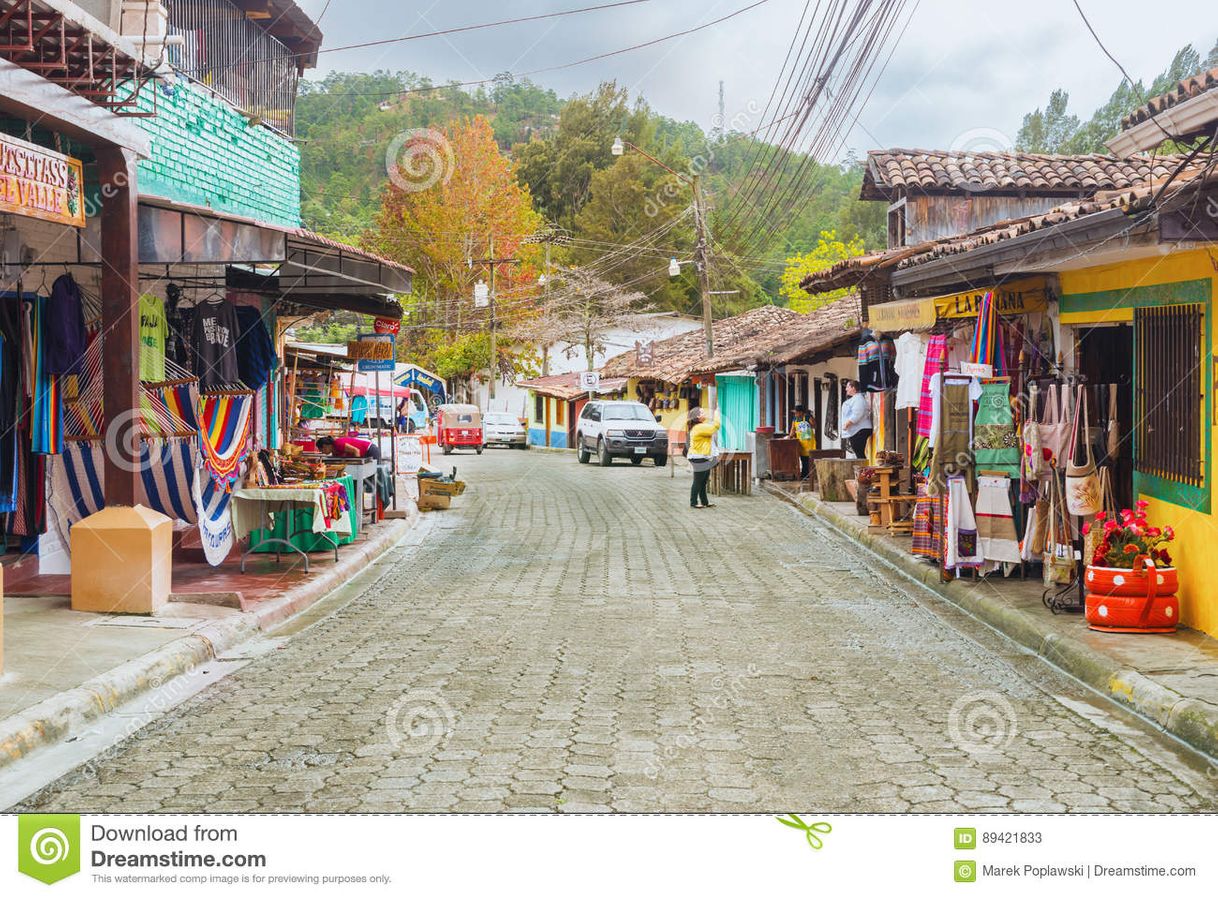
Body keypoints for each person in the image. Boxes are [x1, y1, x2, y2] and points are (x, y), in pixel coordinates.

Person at [687, 408, 721, 509]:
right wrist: (716, 413)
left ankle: (705, 502)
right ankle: (693, 502)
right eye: (702, 412)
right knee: (698, 481)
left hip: (703, 456)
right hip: (698, 457)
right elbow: (715, 427)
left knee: (703, 481)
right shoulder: (698, 427)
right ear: (697, 416)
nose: (704, 413)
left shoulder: (700, 427)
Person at [840, 379, 873, 460]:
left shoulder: (859, 399)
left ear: (853, 388)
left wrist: (848, 423)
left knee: (859, 453)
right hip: (857, 430)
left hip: (860, 430)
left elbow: (858, 413)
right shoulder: (855, 399)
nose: (846, 389)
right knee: (859, 452)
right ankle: (863, 471)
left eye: (848, 387)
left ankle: (864, 471)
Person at [788, 404, 817, 479]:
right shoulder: (795, 419)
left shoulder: (807, 417)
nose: (795, 414)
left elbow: (814, 426)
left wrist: (810, 422)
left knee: (809, 458)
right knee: (803, 458)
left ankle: (809, 475)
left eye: (796, 412)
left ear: (801, 412)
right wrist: (789, 437)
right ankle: (805, 475)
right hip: (801, 442)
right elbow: (793, 429)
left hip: (809, 441)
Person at [315, 434, 381, 460]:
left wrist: (357, 466)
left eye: (321, 450)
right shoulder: (334, 451)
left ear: (325, 446)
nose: (322, 452)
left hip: (370, 450)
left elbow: (356, 451)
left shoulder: (338, 443)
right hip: (366, 452)